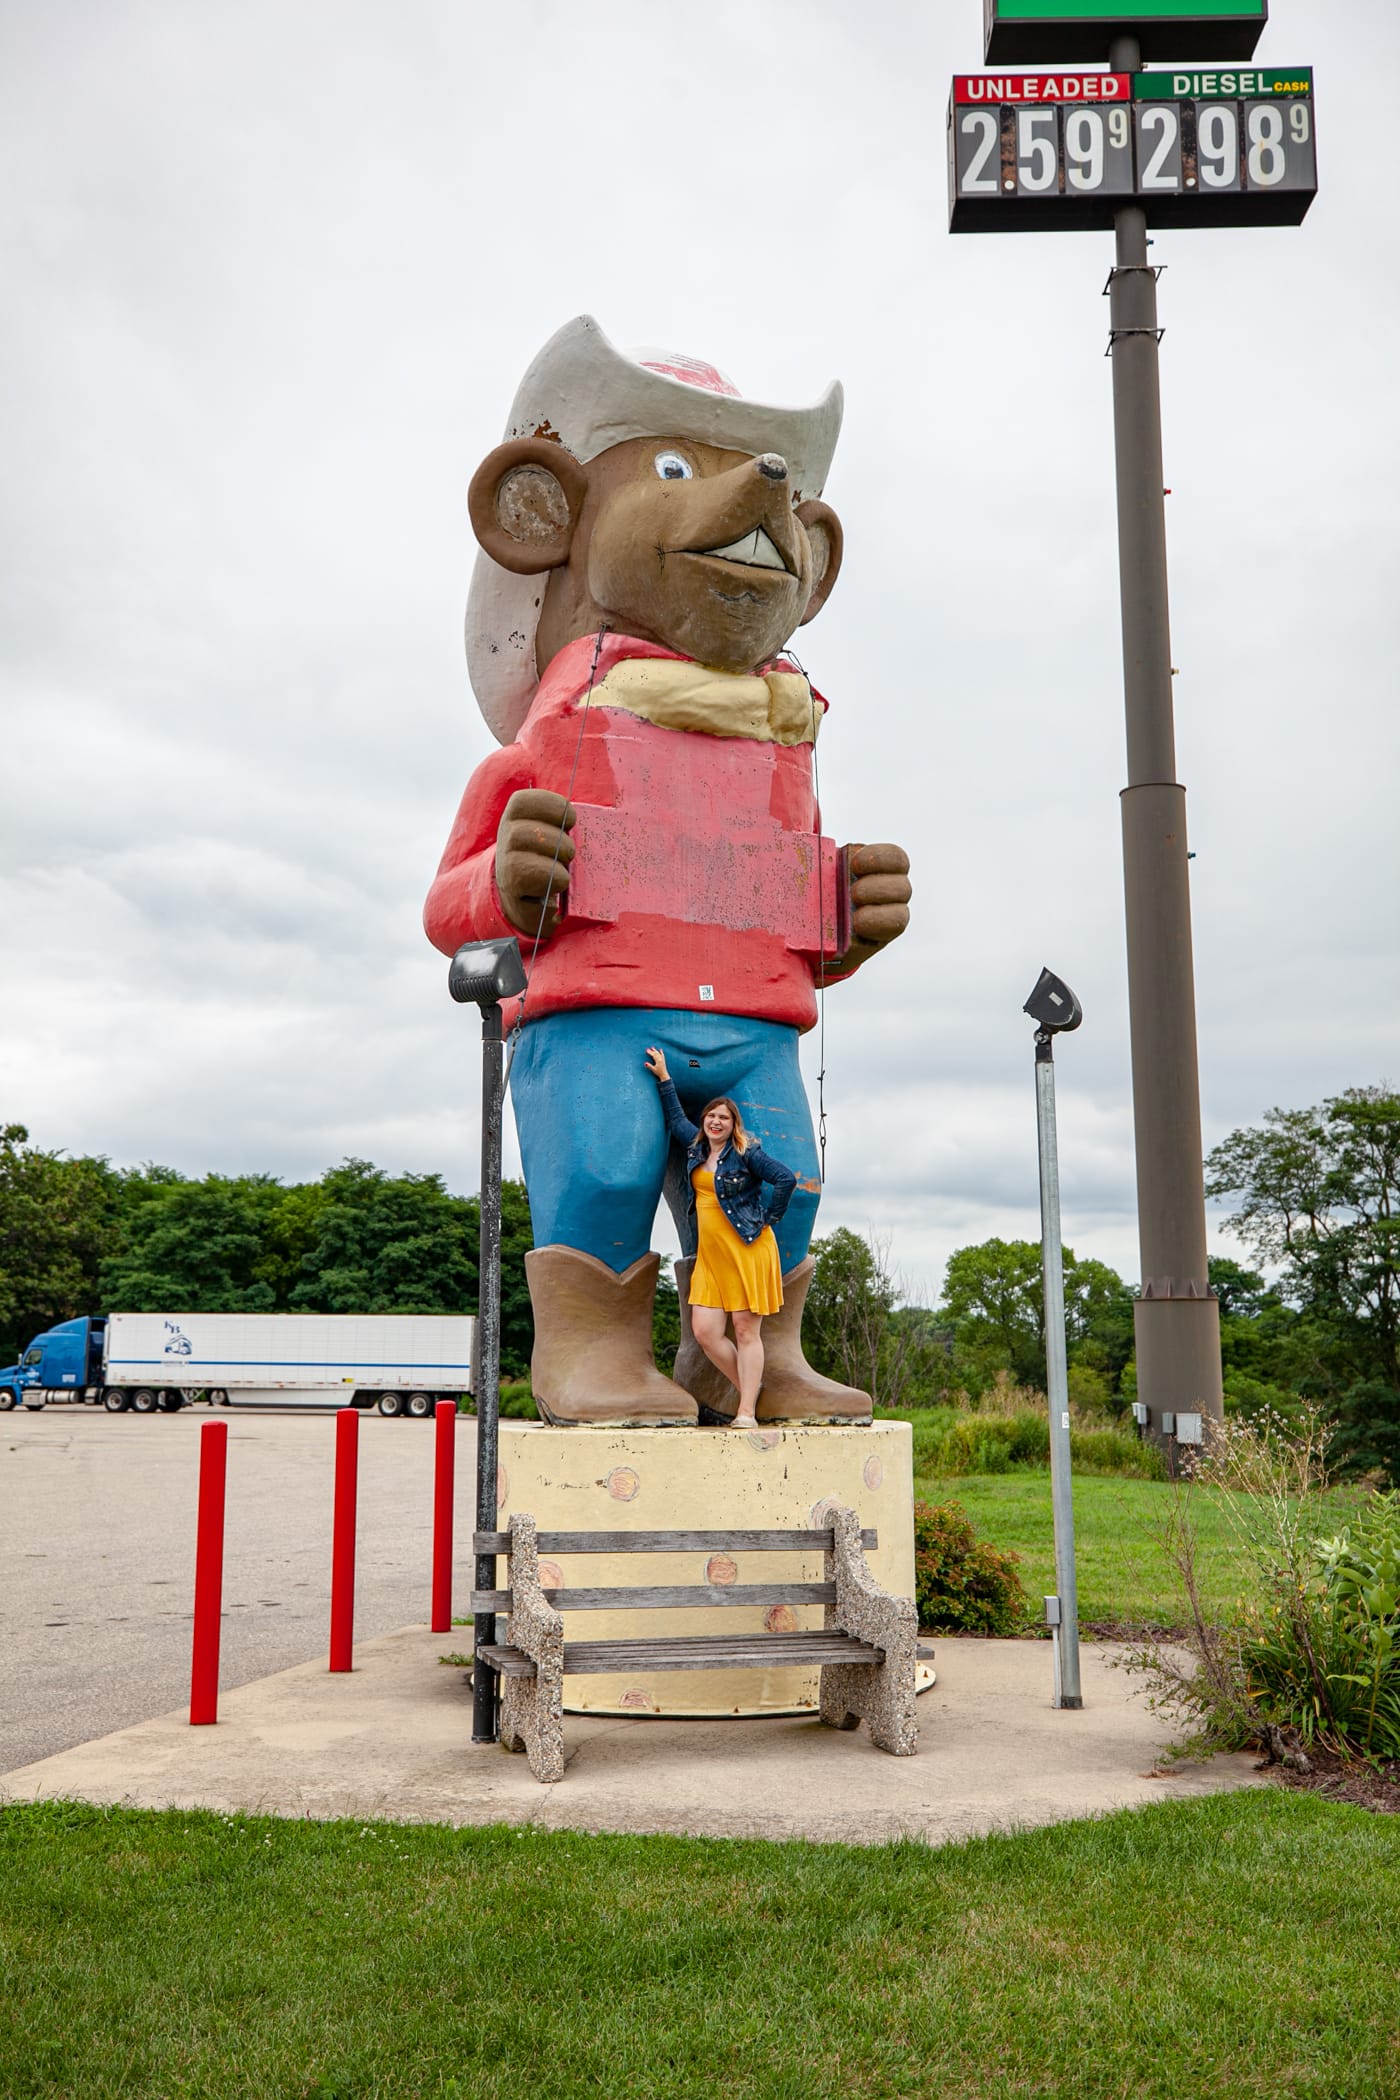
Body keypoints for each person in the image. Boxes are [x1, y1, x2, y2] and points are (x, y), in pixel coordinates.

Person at [644, 1046, 797, 1429]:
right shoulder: (696, 1148)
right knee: (706, 1332)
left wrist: (768, 1219)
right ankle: (750, 1388)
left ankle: (746, 1411)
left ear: (733, 1124)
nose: (715, 1122)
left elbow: (786, 1179)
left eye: (723, 1118)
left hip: (747, 1250)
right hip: (711, 1258)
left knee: (746, 1330)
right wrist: (665, 1077)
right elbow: (677, 1118)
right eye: (711, 1116)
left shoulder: (747, 1153)